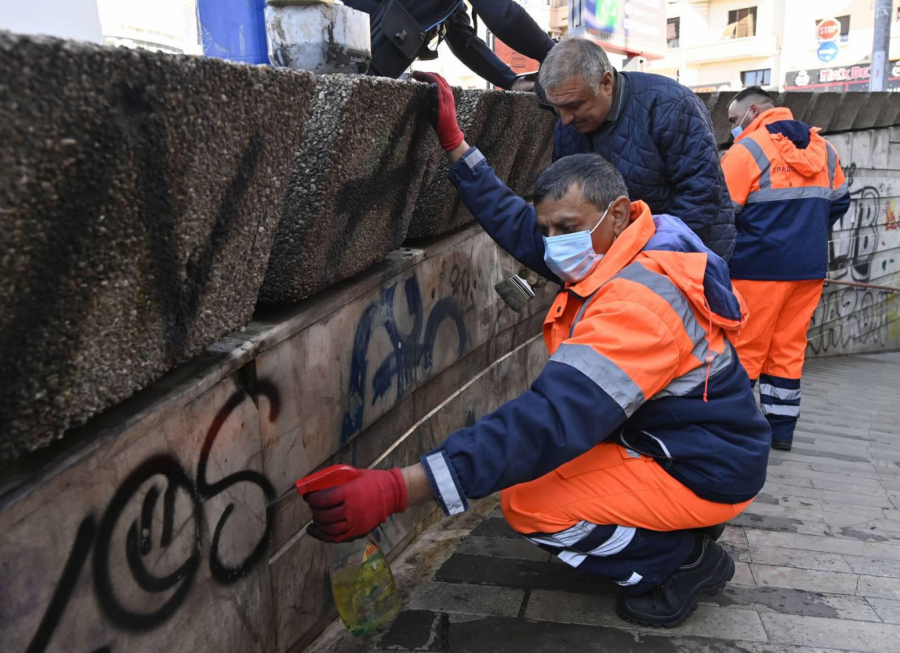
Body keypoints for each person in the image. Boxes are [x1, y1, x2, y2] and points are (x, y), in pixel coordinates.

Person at [302, 72, 771, 628]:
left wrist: (400, 487)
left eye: (565, 228)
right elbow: (520, 225)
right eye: (548, 230)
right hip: (681, 441)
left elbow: (548, 421)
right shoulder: (636, 242)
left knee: (531, 505)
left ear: (616, 213)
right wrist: (457, 147)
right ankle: (675, 527)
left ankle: (680, 561)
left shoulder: (639, 302)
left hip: (701, 466)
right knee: (540, 470)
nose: (552, 246)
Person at [721, 87, 851, 451]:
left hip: (755, 269)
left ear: (755, 110)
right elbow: (840, 202)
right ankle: (780, 430)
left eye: (734, 120)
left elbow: (720, 211)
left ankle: (736, 429)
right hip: (808, 268)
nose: (733, 127)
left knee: (745, 347)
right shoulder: (824, 149)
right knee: (788, 349)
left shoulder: (747, 150)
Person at [535, 38, 735, 261]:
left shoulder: (670, 105)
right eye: (557, 107)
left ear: (606, 83)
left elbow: (701, 194)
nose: (564, 119)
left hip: (687, 256)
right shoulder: (569, 125)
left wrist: (644, 259)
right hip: (616, 261)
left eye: (574, 105)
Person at [344, 0, 554, 90]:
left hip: (363, 63)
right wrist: (554, 54)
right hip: (346, 54)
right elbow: (505, 17)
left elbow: (461, 36)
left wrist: (509, 81)